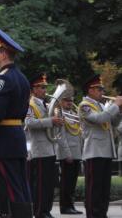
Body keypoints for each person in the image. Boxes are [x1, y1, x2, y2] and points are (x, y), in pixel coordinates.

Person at [0, 28, 33, 218]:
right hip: (16, 136)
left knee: (10, 185)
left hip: (4, 140)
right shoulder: (22, 78)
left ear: (3, 54)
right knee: (20, 183)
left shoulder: (2, 78)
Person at [78, 75, 122, 218]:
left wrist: (119, 111)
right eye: (98, 89)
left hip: (106, 151)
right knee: (94, 189)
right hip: (94, 151)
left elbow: (114, 123)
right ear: (90, 90)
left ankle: (102, 214)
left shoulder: (102, 106)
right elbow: (99, 119)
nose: (102, 92)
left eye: (102, 89)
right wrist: (115, 105)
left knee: (104, 189)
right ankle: (93, 214)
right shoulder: (84, 105)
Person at [25, 73, 60, 218]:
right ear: (33, 89)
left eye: (45, 87)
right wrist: (51, 121)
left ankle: (46, 210)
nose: (45, 90)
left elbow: (51, 126)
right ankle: (40, 211)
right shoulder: (30, 104)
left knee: (48, 183)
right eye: (41, 87)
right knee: (40, 184)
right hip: (38, 149)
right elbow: (29, 123)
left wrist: (58, 123)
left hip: (50, 148)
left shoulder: (46, 104)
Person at [55, 94, 82, 215]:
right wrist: (67, 153)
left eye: (71, 101)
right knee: (66, 182)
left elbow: (78, 134)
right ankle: (65, 207)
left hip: (76, 152)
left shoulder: (74, 114)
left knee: (72, 182)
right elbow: (61, 136)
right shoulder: (59, 115)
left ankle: (71, 205)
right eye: (67, 101)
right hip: (67, 153)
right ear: (61, 102)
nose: (70, 103)